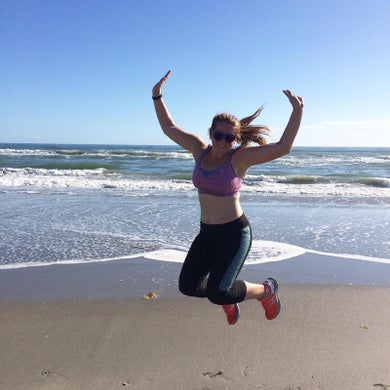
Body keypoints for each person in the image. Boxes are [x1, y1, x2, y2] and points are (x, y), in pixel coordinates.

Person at [152, 70, 304, 325]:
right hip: (207, 234)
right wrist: (157, 96)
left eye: (229, 137)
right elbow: (169, 128)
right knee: (188, 286)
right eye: (218, 135)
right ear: (211, 133)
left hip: (234, 233)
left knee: (218, 292)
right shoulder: (198, 150)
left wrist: (297, 112)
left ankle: (266, 290)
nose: (223, 141)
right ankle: (229, 299)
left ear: (236, 139)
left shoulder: (240, 158)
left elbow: (283, 147)